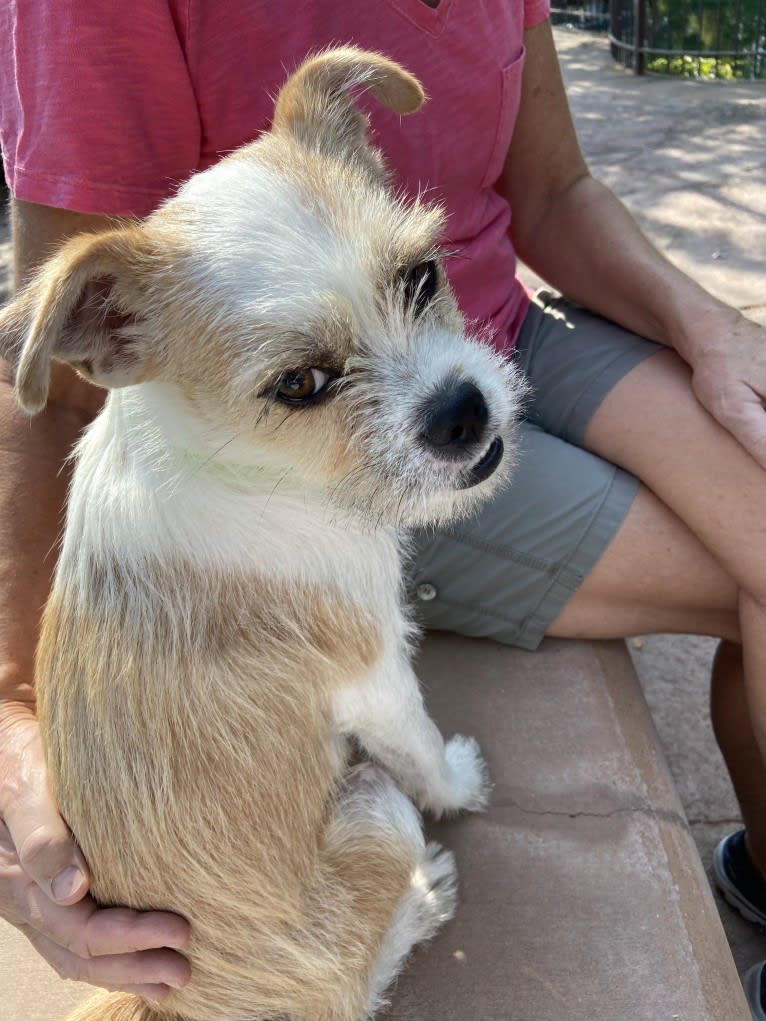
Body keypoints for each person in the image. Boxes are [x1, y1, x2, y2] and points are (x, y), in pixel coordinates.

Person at [1, 0, 766, 1014]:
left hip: (499, 321)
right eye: (304, 379)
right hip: (325, 477)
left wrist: (707, 326)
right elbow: (43, 396)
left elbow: (553, 188)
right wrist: (15, 707)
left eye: (412, 266)